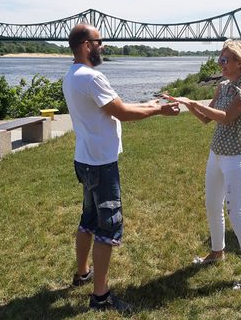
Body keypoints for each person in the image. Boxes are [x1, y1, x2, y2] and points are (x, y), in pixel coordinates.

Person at [62, 24, 180, 313]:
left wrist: (148, 104)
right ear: (87, 45)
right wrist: (159, 110)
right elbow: (123, 113)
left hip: (85, 160)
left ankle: (82, 273)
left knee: (88, 219)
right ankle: (100, 296)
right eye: (99, 41)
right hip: (101, 164)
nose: (103, 46)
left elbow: (114, 106)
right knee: (107, 227)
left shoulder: (72, 74)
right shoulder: (92, 77)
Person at [163, 39, 241, 290]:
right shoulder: (223, 86)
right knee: (212, 204)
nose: (221, 63)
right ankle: (217, 252)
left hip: (237, 156)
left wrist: (195, 103)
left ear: (240, 62)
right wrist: (187, 103)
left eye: (225, 60)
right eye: (220, 59)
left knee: (236, 213)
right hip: (216, 153)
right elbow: (207, 118)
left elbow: (226, 118)